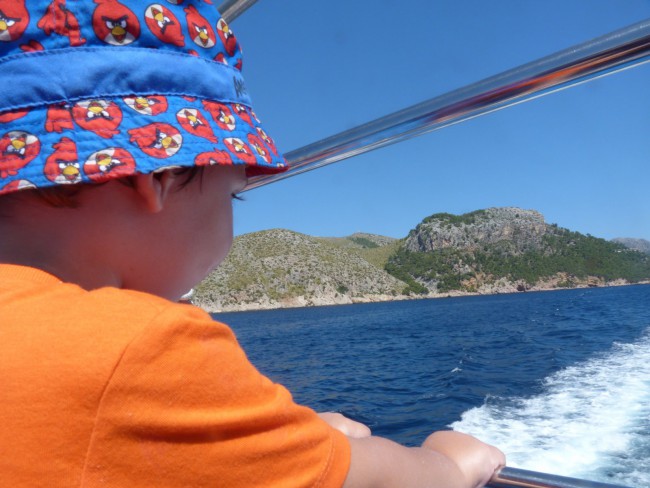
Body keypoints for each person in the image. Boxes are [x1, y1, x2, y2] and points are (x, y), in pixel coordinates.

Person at [0, 1, 505, 486]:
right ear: (161, 176)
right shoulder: (144, 350)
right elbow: (375, 482)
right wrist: (451, 464)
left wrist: (276, 443)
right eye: (234, 197)